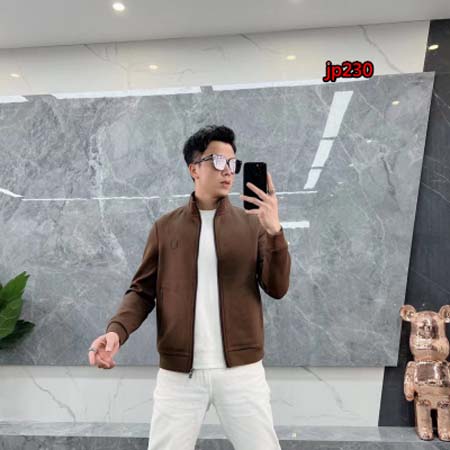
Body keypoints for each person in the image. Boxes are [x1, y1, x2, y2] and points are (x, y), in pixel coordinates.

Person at [88, 124, 291, 450]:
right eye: (219, 161)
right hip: (179, 375)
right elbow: (141, 292)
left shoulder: (252, 225)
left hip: (242, 373)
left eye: (233, 163)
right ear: (194, 168)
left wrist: (275, 233)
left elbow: (277, 288)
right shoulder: (165, 227)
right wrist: (116, 331)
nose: (229, 171)